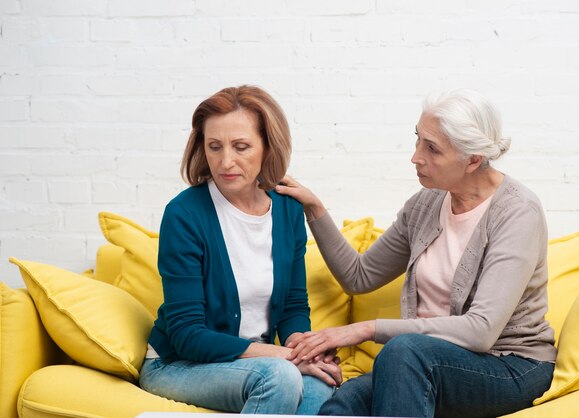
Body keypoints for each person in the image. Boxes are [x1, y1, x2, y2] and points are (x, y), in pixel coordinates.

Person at [276, 89, 556, 417]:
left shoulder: (517, 212)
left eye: (432, 149)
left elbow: (481, 331)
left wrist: (364, 329)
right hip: (422, 362)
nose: (415, 157)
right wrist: (315, 208)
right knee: (344, 403)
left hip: (510, 365)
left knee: (402, 352)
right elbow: (359, 276)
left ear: (473, 159)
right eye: (418, 140)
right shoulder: (426, 204)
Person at [138, 85, 341, 415]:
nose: (225, 161)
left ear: (267, 148)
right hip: (178, 365)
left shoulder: (288, 210)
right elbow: (188, 335)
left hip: (255, 364)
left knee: (323, 386)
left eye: (241, 146)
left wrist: (304, 349)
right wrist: (286, 357)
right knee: (281, 377)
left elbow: (292, 306)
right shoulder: (185, 215)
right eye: (214, 147)